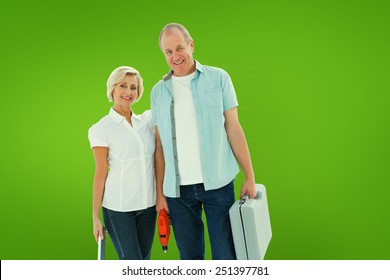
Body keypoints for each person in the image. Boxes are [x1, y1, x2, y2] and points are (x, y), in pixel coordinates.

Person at [151, 23, 256, 260]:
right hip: (178, 192)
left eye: (179, 48)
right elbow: (159, 148)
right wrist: (159, 194)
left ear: (191, 45)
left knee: (225, 257)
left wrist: (249, 176)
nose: (175, 56)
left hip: (218, 185)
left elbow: (234, 128)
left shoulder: (219, 78)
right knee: (190, 260)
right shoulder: (158, 92)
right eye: (168, 52)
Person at [88, 66, 156, 260]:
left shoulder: (147, 122)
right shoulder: (101, 129)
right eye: (123, 86)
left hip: (148, 206)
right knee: (131, 264)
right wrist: (95, 216)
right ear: (113, 89)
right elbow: (101, 173)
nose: (128, 92)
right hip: (119, 209)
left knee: (144, 263)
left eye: (133, 87)